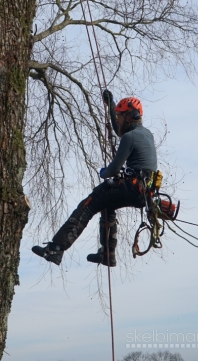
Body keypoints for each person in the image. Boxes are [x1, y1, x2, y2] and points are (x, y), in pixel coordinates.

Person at [32, 91, 157, 267]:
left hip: (132, 186)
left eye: (120, 116)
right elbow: (119, 130)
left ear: (130, 116)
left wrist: (105, 172)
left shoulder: (130, 137)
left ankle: (56, 248)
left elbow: (113, 169)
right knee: (107, 206)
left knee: (90, 203)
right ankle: (108, 254)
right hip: (143, 192)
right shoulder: (146, 134)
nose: (118, 120)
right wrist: (111, 105)